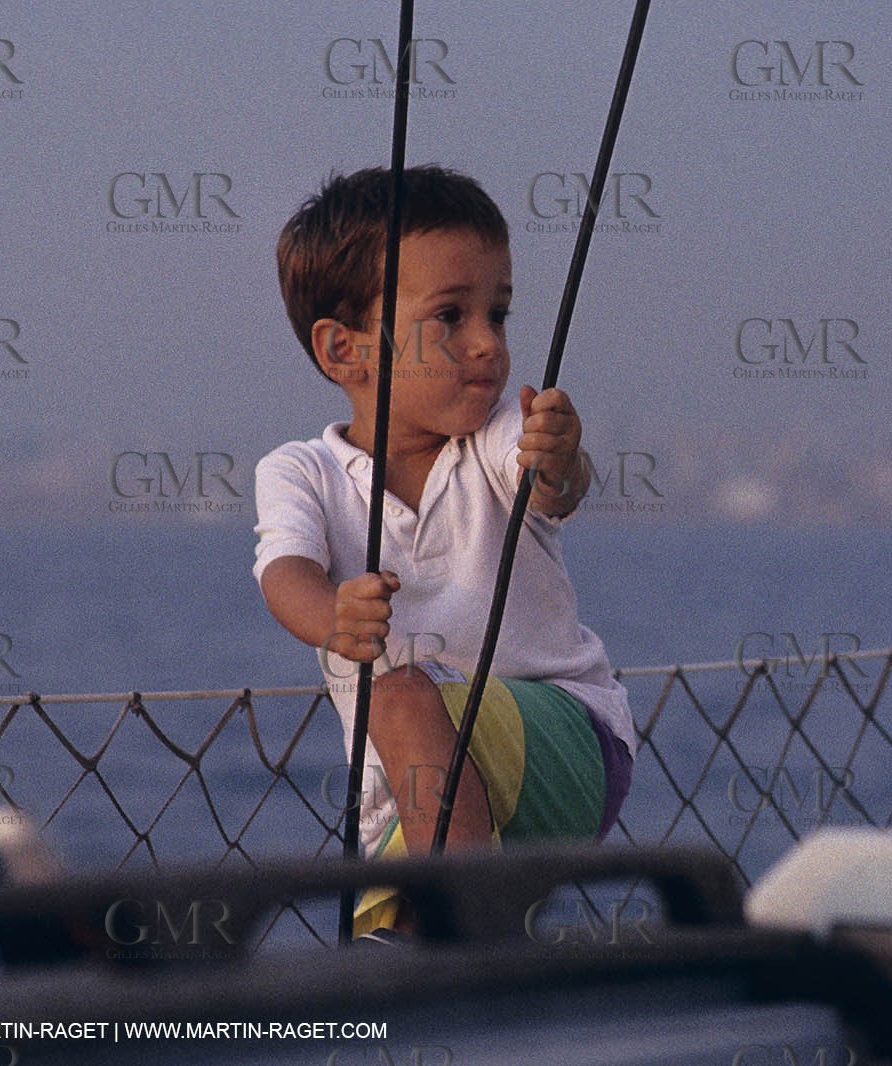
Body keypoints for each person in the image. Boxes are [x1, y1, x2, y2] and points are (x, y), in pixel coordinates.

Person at [253, 165, 635, 938]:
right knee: (386, 945)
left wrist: (559, 456)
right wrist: (332, 616)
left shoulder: (496, 434)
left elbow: (550, 483)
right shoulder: (300, 471)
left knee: (396, 694)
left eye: (498, 313)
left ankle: (473, 942)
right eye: (452, 317)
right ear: (343, 350)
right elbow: (283, 569)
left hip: (566, 740)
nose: (488, 344)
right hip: (419, 798)